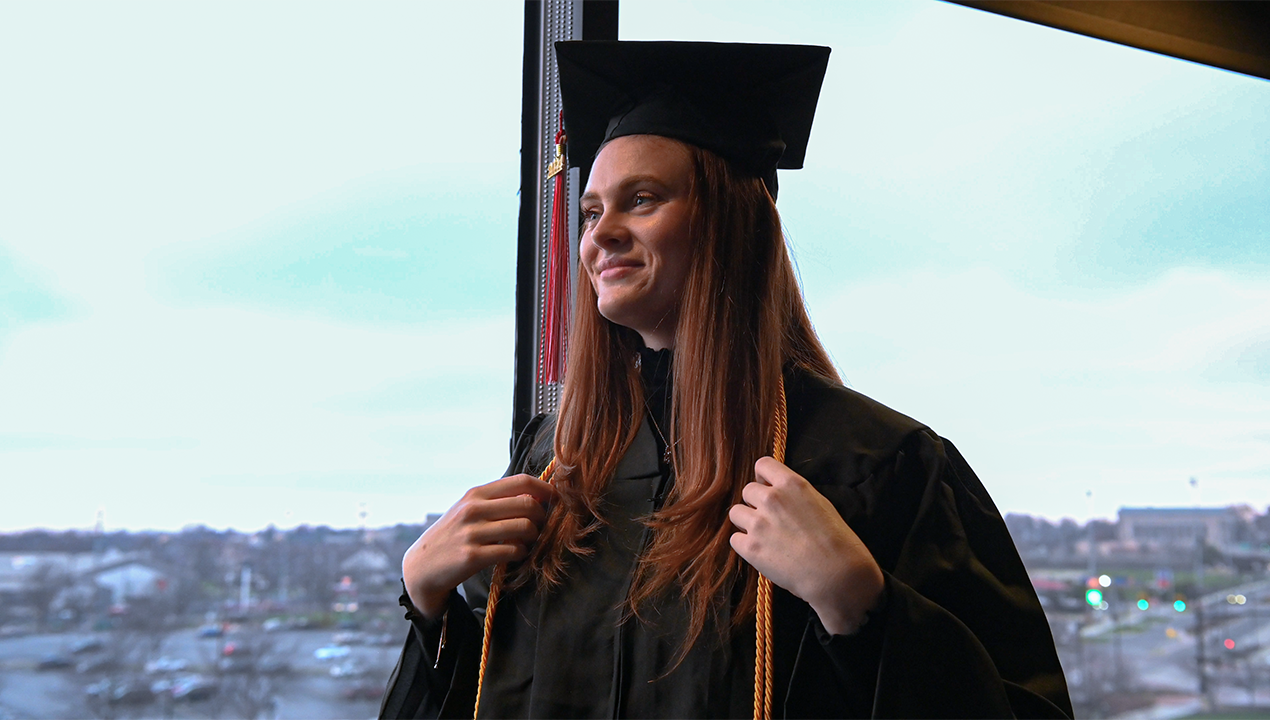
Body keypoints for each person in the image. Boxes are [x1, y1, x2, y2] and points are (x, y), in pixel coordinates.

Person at [379, 41, 1073, 720]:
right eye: (591, 212)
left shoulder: (875, 464)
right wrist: (429, 603)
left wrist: (864, 607)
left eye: (641, 199)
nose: (600, 234)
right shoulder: (556, 462)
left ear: (728, 222)